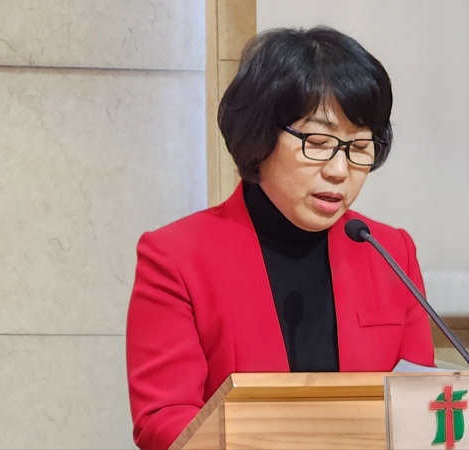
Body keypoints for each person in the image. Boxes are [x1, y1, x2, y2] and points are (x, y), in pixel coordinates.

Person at [125, 26, 434, 449]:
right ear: (261, 137)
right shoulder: (176, 258)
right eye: (318, 142)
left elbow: (421, 404)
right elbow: (164, 418)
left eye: (359, 147)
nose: (339, 171)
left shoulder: (390, 251)